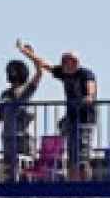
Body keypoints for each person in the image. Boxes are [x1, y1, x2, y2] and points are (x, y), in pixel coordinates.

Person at [36, 49, 98, 180]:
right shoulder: (64, 73)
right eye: (63, 63)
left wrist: (89, 97)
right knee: (72, 157)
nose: (64, 66)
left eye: (67, 63)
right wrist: (27, 53)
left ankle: (85, 185)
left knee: (83, 157)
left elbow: (90, 88)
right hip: (71, 119)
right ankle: (73, 184)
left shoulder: (85, 74)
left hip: (85, 120)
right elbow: (45, 64)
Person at [0, 41, 45, 181]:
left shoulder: (26, 89)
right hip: (8, 137)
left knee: (25, 169)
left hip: (23, 138)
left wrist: (31, 55)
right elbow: (2, 114)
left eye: (14, 70)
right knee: (9, 170)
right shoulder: (5, 93)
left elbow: (39, 73)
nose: (11, 73)